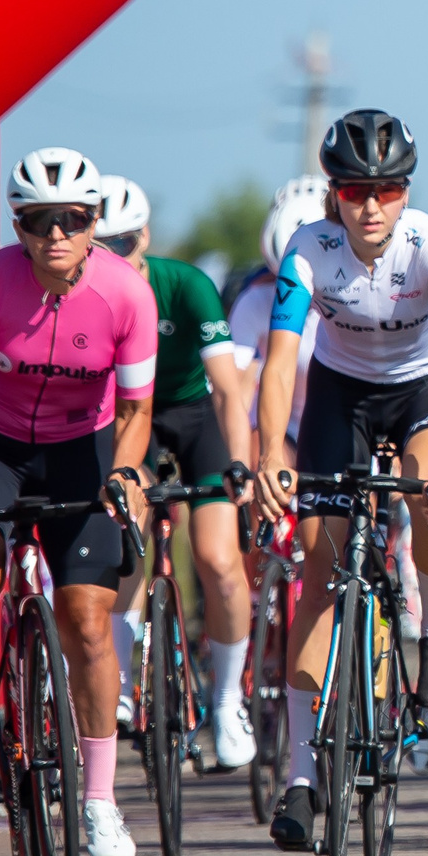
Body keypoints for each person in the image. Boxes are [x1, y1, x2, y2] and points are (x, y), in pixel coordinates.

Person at [0, 147, 160, 856]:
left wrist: (124, 473)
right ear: (17, 226)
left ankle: (99, 801)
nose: (56, 234)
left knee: (87, 619)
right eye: (38, 221)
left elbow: (137, 409)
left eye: (73, 220)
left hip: (81, 448)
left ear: (94, 223)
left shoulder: (127, 295)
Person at [250, 110, 428, 851]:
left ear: (406, 191)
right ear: (335, 195)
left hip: (419, 391)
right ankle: (300, 776)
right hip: (339, 396)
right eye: (354, 191)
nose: (371, 206)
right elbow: (280, 362)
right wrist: (270, 453)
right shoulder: (308, 250)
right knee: (320, 569)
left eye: (387, 190)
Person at [93, 175, 259, 769]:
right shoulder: (87, 293)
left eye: (124, 244)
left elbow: (227, 389)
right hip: (125, 416)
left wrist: (239, 463)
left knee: (219, 561)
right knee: (127, 537)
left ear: (144, 237)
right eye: (100, 247)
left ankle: (227, 701)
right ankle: (121, 684)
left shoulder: (186, 285)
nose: (114, 259)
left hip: (192, 414)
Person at [228, 176, 329, 459]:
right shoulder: (255, 300)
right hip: (283, 427)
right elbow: (238, 389)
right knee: (257, 451)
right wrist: (240, 462)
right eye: (285, 282)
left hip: (341, 420)